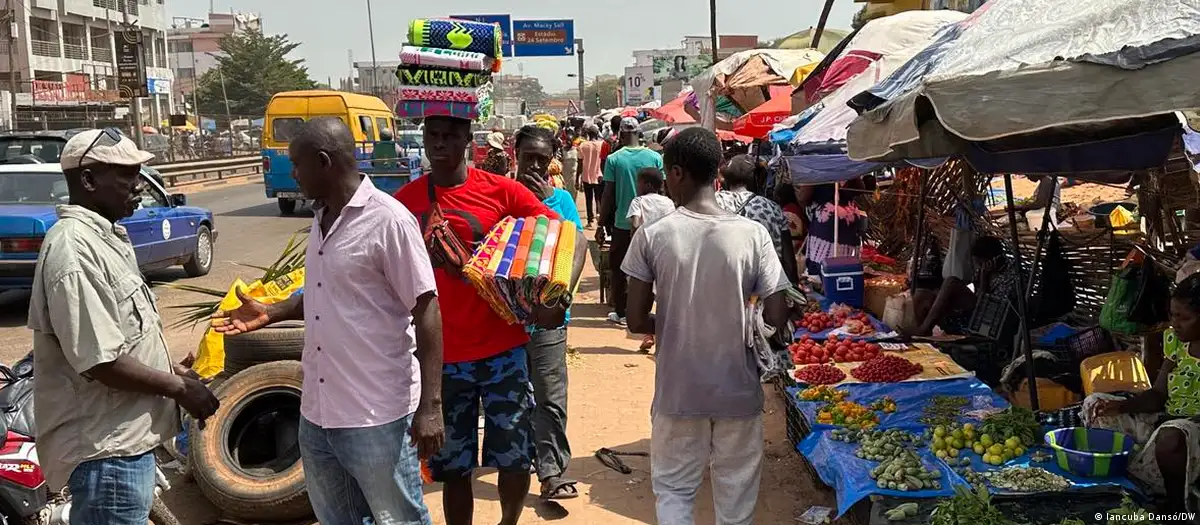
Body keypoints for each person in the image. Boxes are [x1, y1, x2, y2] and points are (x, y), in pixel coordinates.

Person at [211, 118, 444, 525]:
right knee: (340, 518)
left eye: (296, 164)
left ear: (323, 162)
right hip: (318, 414)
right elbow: (327, 295)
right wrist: (273, 311)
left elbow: (427, 309)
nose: (294, 174)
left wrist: (430, 407)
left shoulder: (388, 221)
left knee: (398, 519)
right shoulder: (321, 218)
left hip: (376, 416)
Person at [394, 115, 588, 525]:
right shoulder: (406, 202)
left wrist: (558, 295)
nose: (440, 144)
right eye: (433, 136)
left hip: (504, 351)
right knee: (454, 468)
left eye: (450, 136)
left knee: (515, 458)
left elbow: (572, 238)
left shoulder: (501, 191)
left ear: (468, 139)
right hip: (444, 358)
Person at [28, 128, 219, 524]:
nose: (139, 186)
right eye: (127, 176)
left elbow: (126, 338)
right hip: (107, 451)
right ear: (88, 180)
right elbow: (101, 362)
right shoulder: (75, 249)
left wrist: (176, 371)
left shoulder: (106, 238)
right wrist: (180, 388)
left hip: (126, 444)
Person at [623, 127, 790, 524]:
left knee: (675, 494)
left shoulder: (653, 235)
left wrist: (678, 322)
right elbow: (777, 314)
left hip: (678, 391)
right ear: (717, 170)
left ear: (677, 173)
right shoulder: (753, 235)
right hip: (738, 390)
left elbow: (634, 319)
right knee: (736, 497)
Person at [1084, 273, 1200, 513]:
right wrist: (1121, 406)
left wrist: (1176, 424)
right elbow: (1158, 394)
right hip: (1166, 419)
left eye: (1184, 318)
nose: (1175, 323)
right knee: (1095, 403)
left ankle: (1175, 507)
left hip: (1192, 432)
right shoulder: (1177, 344)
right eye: (1172, 315)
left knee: (1171, 435)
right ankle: (1124, 484)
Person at [512, 125, 584, 500]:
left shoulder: (562, 202)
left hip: (550, 319)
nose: (535, 166)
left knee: (550, 396)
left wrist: (560, 299)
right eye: (529, 158)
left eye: (542, 159)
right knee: (514, 396)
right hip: (506, 319)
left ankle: (552, 472)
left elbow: (576, 246)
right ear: (516, 154)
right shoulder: (500, 195)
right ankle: (522, 459)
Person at [598, 117, 663, 326]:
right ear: (639, 133)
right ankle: (647, 311)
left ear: (622, 134)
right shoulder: (655, 157)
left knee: (620, 269)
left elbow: (608, 194)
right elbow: (664, 189)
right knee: (652, 269)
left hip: (623, 224)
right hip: (655, 224)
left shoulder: (614, 159)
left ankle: (622, 312)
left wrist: (601, 223)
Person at [910, 236, 1020, 336]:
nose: (977, 266)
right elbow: (976, 293)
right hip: (971, 311)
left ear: (991, 260)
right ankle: (923, 331)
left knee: (951, 283)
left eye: (979, 262)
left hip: (985, 320)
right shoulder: (982, 269)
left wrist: (984, 278)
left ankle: (922, 331)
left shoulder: (1010, 276)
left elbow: (986, 307)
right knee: (922, 295)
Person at [716, 154, 799, 284]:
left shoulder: (714, 203)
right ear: (755, 179)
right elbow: (788, 259)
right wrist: (794, 287)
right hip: (765, 289)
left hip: (724, 286)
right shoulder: (772, 208)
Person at [625, 167, 675, 353]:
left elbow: (636, 223)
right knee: (661, 295)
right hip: (666, 251)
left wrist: (635, 238)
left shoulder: (638, 201)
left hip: (644, 252)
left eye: (638, 182)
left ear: (645, 184)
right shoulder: (668, 202)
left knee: (643, 298)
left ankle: (649, 334)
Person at [797, 179, 866, 277]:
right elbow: (860, 189)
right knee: (845, 265)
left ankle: (828, 284)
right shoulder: (849, 165)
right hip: (849, 215)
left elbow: (803, 198)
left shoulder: (816, 167)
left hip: (828, 217)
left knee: (823, 268)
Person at [577, 125, 605, 227]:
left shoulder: (582, 145)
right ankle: (599, 215)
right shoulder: (602, 144)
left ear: (588, 134)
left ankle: (590, 220)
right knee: (599, 198)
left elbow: (580, 163)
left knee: (588, 199)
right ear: (597, 134)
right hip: (599, 176)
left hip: (586, 176)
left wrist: (577, 179)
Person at [561, 128, 579, 201]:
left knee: (573, 192)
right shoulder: (562, 150)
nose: (568, 142)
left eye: (570, 140)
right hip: (565, 174)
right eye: (567, 140)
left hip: (573, 175)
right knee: (565, 192)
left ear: (573, 141)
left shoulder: (576, 150)